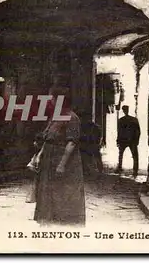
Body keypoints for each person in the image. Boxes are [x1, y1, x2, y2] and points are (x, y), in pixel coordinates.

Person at [34, 85, 85, 226]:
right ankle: (48, 219)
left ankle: (63, 222)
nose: (50, 100)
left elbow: (72, 143)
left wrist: (62, 164)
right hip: (49, 159)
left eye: (52, 98)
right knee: (47, 191)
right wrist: (40, 154)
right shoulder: (55, 116)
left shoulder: (72, 118)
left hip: (64, 160)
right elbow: (48, 138)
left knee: (63, 192)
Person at [115, 105, 141, 177]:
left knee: (121, 154)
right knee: (135, 156)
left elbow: (119, 132)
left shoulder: (121, 120)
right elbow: (138, 131)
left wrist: (118, 140)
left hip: (124, 140)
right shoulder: (134, 120)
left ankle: (120, 167)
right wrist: (137, 140)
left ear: (123, 110)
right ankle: (135, 170)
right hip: (132, 140)